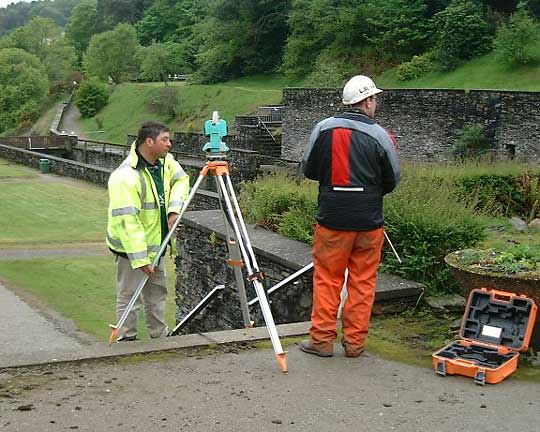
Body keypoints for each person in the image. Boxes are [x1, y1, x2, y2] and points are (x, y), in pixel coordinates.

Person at [299, 75, 400, 358]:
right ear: (366, 101)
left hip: (331, 218)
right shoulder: (381, 135)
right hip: (369, 222)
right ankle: (354, 343)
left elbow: (308, 169)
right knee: (363, 281)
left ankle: (321, 340)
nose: (375, 102)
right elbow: (392, 180)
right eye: (374, 98)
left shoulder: (322, 129)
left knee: (328, 279)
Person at [106, 121, 189, 341]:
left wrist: (174, 211)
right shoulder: (125, 176)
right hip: (131, 252)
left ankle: (159, 337)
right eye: (165, 140)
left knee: (157, 295)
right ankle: (126, 338)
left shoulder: (165, 163)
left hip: (158, 246)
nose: (169, 145)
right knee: (129, 296)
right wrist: (140, 258)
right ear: (149, 142)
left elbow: (182, 180)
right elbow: (127, 221)